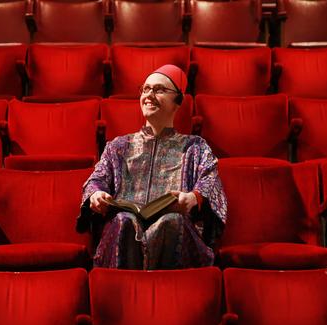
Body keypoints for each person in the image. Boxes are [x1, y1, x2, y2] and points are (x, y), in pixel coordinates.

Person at [77, 64, 227, 269]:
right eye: (145, 89)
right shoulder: (119, 146)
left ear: (178, 102)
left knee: (173, 221)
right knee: (124, 221)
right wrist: (96, 194)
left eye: (159, 90)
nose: (149, 95)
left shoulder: (195, 147)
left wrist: (194, 198)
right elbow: (96, 180)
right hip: (125, 226)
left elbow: (210, 181)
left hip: (176, 229)